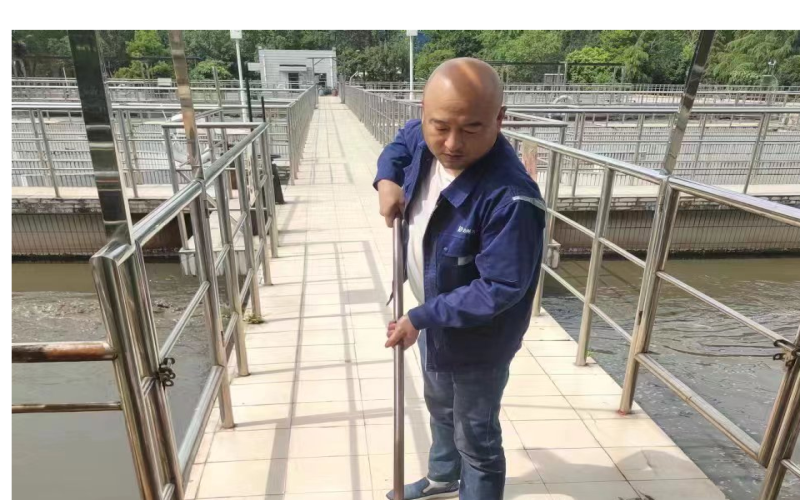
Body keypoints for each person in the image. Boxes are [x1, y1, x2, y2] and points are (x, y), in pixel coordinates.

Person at [374, 58, 546, 500]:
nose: (452, 143)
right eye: (441, 126)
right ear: (425, 114)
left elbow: (500, 287)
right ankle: (442, 475)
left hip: (478, 340)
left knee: (476, 435)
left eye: (471, 128)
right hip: (433, 318)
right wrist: (387, 179)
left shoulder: (512, 198)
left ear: (499, 119)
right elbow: (400, 144)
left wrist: (420, 317)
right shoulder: (423, 135)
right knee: (440, 407)